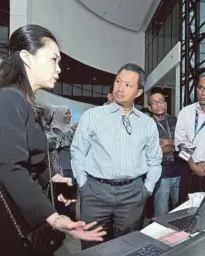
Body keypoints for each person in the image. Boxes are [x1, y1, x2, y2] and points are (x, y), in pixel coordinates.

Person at [0, 24, 105, 256]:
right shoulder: (8, 98)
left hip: (16, 215)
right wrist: (55, 219)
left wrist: (51, 177)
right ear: (27, 57)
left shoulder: (23, 102)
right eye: (53, 60)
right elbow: (11, 166)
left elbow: (25, 159)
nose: (58, 69)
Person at [71, 63, 162, 249]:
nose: (120, 88)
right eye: (118, 81)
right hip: (96, 192)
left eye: (128, 85)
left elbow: (155, 160)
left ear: (138, 92)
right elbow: (78, 150)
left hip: (133, 193)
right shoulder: (92, 116)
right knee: (92, 246)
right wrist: (83, 183)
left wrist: (147, 189)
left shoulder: (147, 123)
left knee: (127, 247)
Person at [148, 92, 180, 217]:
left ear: (165, 104)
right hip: (161, 174)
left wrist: (168, 142)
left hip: (180, 170)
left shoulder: (174, 120)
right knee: (161, 212)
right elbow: (151, 151)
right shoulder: (147, 125)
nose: (158, 105)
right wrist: (174, 145)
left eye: (161, 101)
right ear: (150, 108)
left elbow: (185, 142)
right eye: (154, 103)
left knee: (181, 208)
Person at [45, 105, 78, 218]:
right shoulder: (52, 131)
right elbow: (54, 143)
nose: (69, 116)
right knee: (60, 202)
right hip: (60, 171)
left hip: (73, 170)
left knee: (71, 202)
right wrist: (72, 131)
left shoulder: (70, 131)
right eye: (66, 113)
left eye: (69, 113)